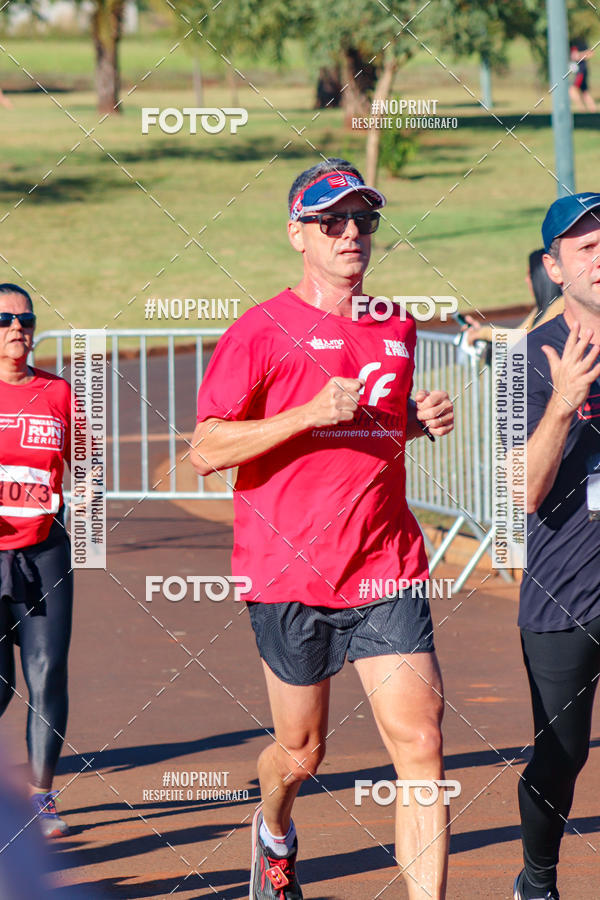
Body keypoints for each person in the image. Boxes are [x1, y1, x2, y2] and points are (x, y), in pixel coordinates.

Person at [190, 158, 455, 899]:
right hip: (289, 570)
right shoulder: (261, 330)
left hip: (385, 562)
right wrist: (306, 413)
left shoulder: (395, 323)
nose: (350, 234)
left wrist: (416, 421)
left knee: (422, 745)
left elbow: (374, 423)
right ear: (296, 235)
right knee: (302, 752)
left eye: (363, 220)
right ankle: (274, 829)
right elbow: (207, 449)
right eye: (331, 220)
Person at [512, 193, 600, 900]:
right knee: (561, 754)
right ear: (554, 267)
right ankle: (537, 882)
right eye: (585, 249)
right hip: (564, 595)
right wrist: (564, 401)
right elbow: (526, 492)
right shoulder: (528, 360)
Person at [0, 283, 73, 838]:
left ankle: (41, 798)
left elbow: (88, 466)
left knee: (46, 674)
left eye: (26, 318)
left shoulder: (60, 393)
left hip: (45, 551)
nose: (17, 327)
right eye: (4, 319)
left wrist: (88, 523)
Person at [463, 249, 564, 347]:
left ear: (541, 277)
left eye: (530, 274)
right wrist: (479, 330)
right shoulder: (541, 309)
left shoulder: (561, 304)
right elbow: (517, 334)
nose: (526, 280)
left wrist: (483, 333)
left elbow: (523, 339)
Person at [569, 40, 596, 112]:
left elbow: (591, 53)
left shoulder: (580, 42)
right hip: (576, 72)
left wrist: (578, 55)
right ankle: (594, 112)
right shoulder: (570, 41)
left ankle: (582, 111)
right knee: (585, 93)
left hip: (581, 71)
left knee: (572, 90)